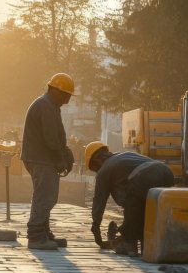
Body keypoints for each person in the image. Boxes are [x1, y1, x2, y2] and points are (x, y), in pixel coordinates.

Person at [86, 141, 174, 256]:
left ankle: (129, 243)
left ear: (96, 160)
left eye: (95, 168)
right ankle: (148, 243)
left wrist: (95, 224)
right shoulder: (125, 156)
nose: (97, 171)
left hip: (145, 176)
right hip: (166, 172)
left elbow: (99, 200)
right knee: (148, 210)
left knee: (131, 202)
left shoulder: (104, 170)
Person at [21, 73, 76, 250]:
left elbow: (56, 136)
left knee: (47, 196)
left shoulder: (50, 105)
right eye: (66, 96)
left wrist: (66, 152)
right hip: (41, 159)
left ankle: (43, 232)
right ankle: (36, 236)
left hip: (42, 158)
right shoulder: (45, 106)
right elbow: (51, 138)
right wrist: (60, 158)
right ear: (56, 91)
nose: (67, 101)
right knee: (44, 197)